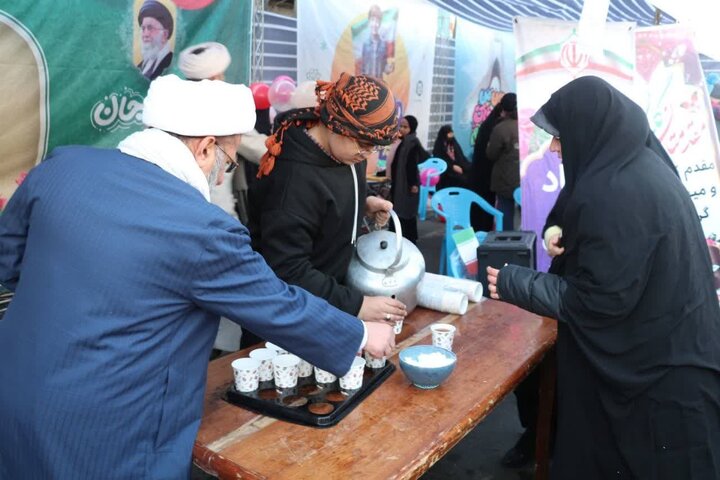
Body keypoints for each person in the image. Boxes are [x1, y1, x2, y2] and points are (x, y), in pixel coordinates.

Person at [0, 74, 395, 479]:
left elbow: (10, 260)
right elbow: (276, 304)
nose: (222, 176)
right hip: (105, 428)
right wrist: (360, 334)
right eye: (226, 161)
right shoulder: (201, 228)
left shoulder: (61, 167)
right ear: (205, 147)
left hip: (14, 390)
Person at [487, 76, 720, 479]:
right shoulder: (634, 167)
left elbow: (598, 301)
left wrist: (512, 282)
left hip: (659, 382)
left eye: (560, 136)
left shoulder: (618, 193)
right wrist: (562, 231)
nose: (554, 148)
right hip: (670, 351)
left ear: (587, 131)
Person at [248, 72, 408, 329]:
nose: (367, 154)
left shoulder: (345, 152)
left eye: (375, 148)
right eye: (364, 145)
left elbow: (327, 199)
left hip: (329, 299)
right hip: (290, 319)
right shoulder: (292, 182)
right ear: (336, 124)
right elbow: (287, 270)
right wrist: (357, 305)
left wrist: (362, 204)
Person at [389, 115, 428, 243]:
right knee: (400, 210)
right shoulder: (404, 142)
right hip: (400, 183)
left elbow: (412, 164)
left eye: (405, 127)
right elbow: (396, 163)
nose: (402, 129)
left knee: (406, 211)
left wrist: (413, 184)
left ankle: (408, 239)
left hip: (408, 185)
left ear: (412, 128)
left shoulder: (412, 143)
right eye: (401, 126)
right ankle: (398, 237)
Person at [486, 93, 519, 231]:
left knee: (506, 214)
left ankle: (507, 245)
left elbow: (491, 154)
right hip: (526, 179)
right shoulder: (528, 124)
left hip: (505, 180)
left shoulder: (501, 128)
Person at [470, 102, 503, 232]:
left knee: (482, 206)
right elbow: (491, 153)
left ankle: (480, 233)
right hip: (486, 174)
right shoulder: (496, 127)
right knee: (485, 206)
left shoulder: (488, 125)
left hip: (481, 173)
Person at [137, 0, 174, 80]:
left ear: (164, 35)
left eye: (150, 28)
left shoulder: (172, 64)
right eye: (143, 28)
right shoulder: (140, 67)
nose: (145, 34)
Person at [356, 5, 394, 78]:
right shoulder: (365, 44)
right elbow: (362, 68)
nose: (375, 24)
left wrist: (389, 68)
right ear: (369, 22)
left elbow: (384, 67)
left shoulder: (383, 45)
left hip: (378, 84)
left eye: (377, 21)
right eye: (372, 20)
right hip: (367, 84)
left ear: (380, 23)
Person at [432, 125, 471, 190]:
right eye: (449, 133)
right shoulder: (439, 145)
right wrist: (452, 167)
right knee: (463, 180)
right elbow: (440, 161)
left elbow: (461, 156)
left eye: (451, 133)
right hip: (447, 171)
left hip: (459, 166)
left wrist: (466, 166)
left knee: (471, 174)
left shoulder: (453, 143)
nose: (451, 135)